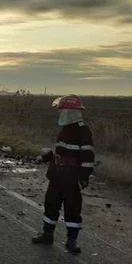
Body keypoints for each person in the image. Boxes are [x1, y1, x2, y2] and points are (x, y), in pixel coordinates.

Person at [32, 94, 95, 254]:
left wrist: (84, 176)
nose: (59, 114)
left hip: (71, 178)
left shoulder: (83, 131)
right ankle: (47, 235)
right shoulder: (64, 130)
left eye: (62, 111)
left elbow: (88, 157)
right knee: (51, 204)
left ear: (70, 112)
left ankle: (71, 241)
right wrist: (43, 157)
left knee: (72, 209)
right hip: (56, 176)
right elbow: (58, 153)